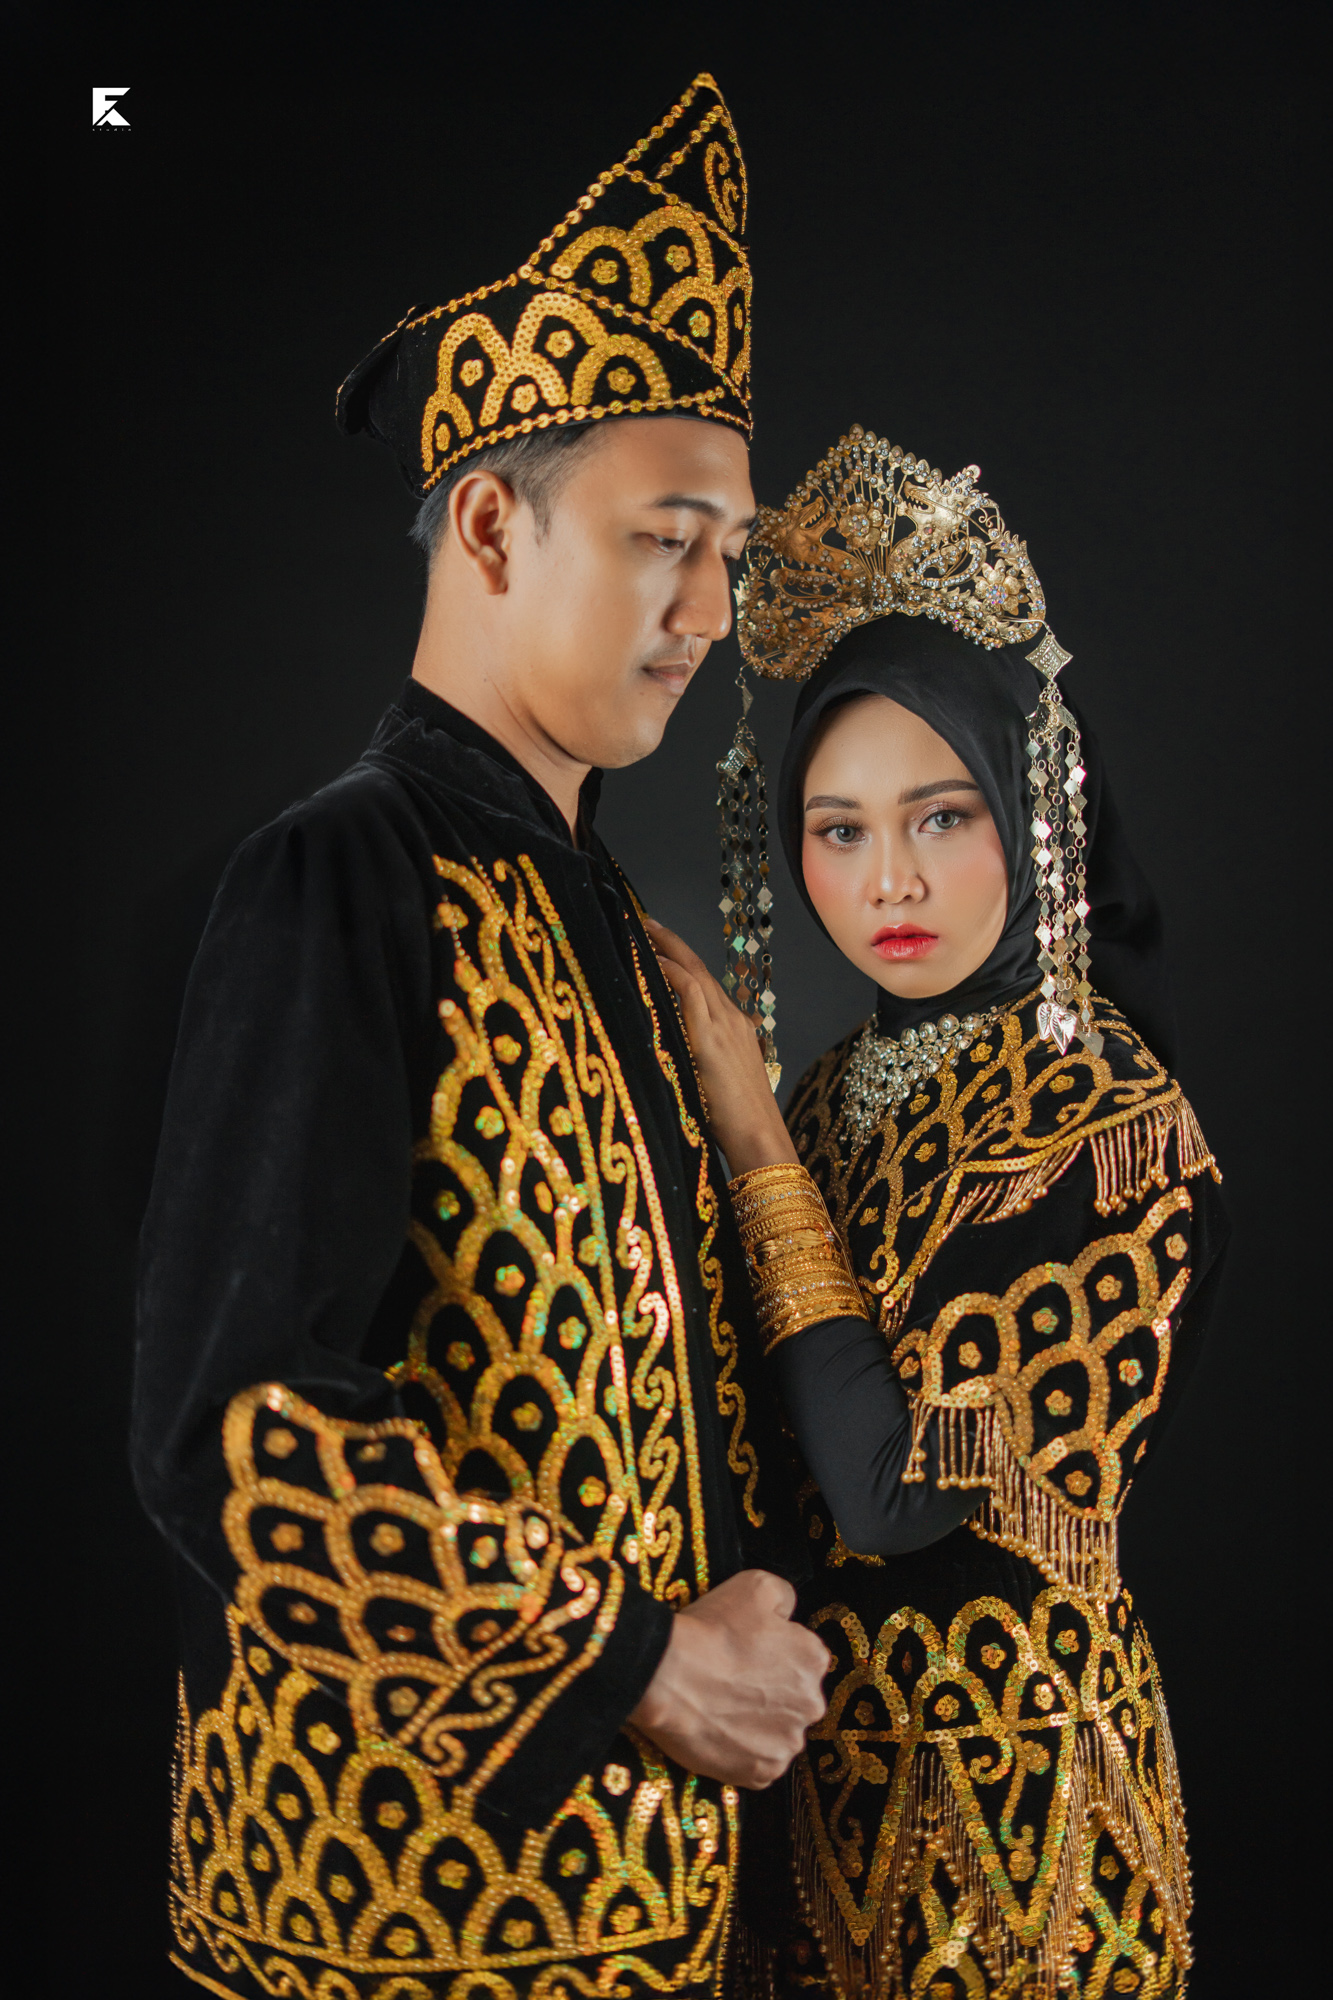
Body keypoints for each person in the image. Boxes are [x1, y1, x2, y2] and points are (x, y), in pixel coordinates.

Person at [131, 75, 829, 2000]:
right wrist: (638, 1663)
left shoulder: (600, 902)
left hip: (658, 1918)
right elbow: (238, 1433)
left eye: (731, 552)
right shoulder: (338, 880)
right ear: (495, 525)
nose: (711, 609)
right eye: (668, 538)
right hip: (408, 1928)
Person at [648, 427, 1226, 1998]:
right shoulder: (829, 1094)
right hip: (797, 1800)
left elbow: (894, 1491)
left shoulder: (1104, 1118)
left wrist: (747, 1138)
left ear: (1035, 815)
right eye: (839, 829)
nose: (886, 881)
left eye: (942, 815)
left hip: (1020, 1826)